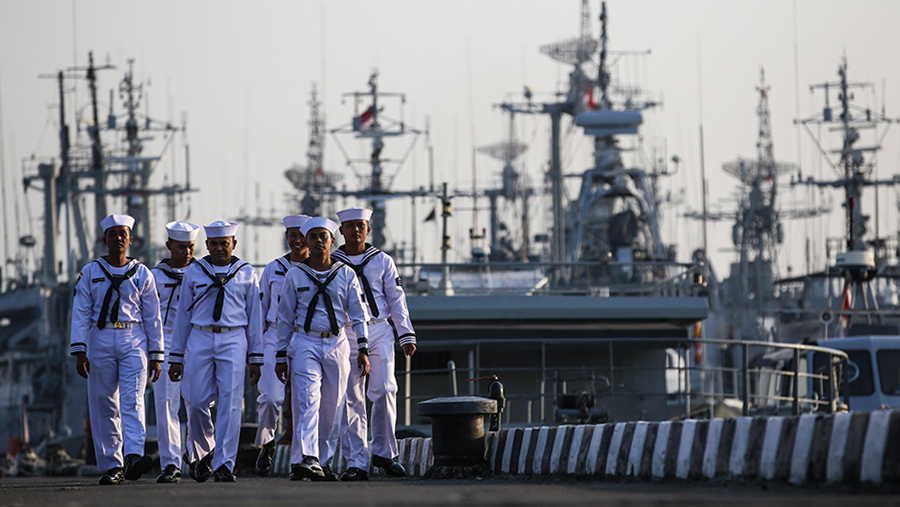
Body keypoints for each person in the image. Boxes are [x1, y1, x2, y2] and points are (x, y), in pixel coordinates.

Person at [69, 214, 164, 485]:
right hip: (100, 337)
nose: (118, 238)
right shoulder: (91, 273)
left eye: (123, 234)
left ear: (130, 239)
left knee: (133, 400)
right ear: (105, 239)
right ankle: (112, 464)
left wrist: (156, 354)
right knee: (104, 403)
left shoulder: (143, 274)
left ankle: (134, 455)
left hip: (133, 337)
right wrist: (80, 350)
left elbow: (153, 316)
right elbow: (81, 312)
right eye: (113, 234)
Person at [274, 217, 370, 481]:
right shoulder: (295, 275)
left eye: (323, 236)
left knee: (333, 407)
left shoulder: (346, 274)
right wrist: (281, 354)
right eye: (313, 237)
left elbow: (358, 314)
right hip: (305, 342)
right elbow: (285, 317)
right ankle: (308, 457)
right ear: (306, 241)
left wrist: (363, 347)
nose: (318, 241)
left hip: (337, 343)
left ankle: (322, 461)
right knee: (307, 400)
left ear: (332, 241)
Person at [168, 220, 263, 483]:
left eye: (224, 243)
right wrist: (176, 356)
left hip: (234, 337)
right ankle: (203, 451)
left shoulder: (246, 273)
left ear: (234, 244)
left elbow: (255, 317)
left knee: (231, 403)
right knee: (196, 401)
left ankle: (224, 464)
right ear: (207, 245)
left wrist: (256, 357)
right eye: (214, 244)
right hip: (199, 335)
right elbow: (182, 316)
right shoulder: (195, 271)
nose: (220, 248)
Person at [333, 207, 417, 481]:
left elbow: (396, 298)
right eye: (350, 226)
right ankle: (357, 461)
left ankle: (384, 452)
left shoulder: (382, 260)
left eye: (360, 225)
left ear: (368, 229)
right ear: (341, 231)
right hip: (347, 333)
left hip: (379, 328)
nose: (355, 230)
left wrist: (405, 333)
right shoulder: (333, 263)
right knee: (351, 399)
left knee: (384, 390)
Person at [254, 214, 310, 476]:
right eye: (293, 235)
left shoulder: (318, 268)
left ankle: (302, 457)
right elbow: (260, 309)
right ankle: (267, 442)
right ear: (287, 237)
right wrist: (254, 350)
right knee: (270, 396)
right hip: (275, 335)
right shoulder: (273, 268)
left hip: (303, 336)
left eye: (302, 235)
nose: (298, 240)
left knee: (303, 400)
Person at [150, 221, 201, 483]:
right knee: (166, 404)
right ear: (169, 245)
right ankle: (171, 462)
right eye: (181, 247)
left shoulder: (203, 274)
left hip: (196, 340)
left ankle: (198, 454)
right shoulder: (154, 277)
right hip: (166, 340)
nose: (187, 252)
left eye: (191, 247)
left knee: (199, 401)